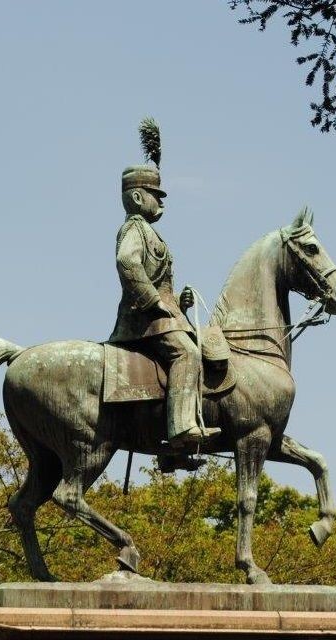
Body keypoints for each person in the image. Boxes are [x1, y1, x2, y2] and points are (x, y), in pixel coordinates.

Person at [107, 157, 221, 450]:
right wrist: (153, 301)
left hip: (164, 316)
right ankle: (182, 428)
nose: (162, 202)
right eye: (156, 195)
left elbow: (159, 282)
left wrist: (178, 304)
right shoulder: (134, 227)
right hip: (145, 320)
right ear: (136, 196)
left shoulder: (149, 230)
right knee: (187, 355)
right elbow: (127, 262)